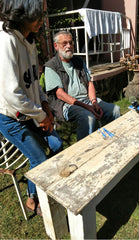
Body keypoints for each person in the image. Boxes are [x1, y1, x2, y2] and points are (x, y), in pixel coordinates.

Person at [0, 0, 63, 216]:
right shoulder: (6, 40)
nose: (42, 21)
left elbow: (33, 82)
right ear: (22, 14)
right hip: (12, 118)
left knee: (57, 143)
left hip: (33, 111)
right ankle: (32, 197)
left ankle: (48, 186)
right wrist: (42, 115)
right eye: (39, 15)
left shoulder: (30, 40)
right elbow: (12, 94)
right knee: (39, 159)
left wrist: (44, 102)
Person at [44, 31, 121, 141]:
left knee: (115, 110)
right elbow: (60, 95)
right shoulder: (51, 66)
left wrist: (94, 102)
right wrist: (88, 107)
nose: (69, 46)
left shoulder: (78, 61)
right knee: (87, 117)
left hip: (87, 100)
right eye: (64, 43)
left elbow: (89, 83)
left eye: (71, 43)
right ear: (56, 46)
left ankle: (113, 140)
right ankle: (85, 151)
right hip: (66, 105)